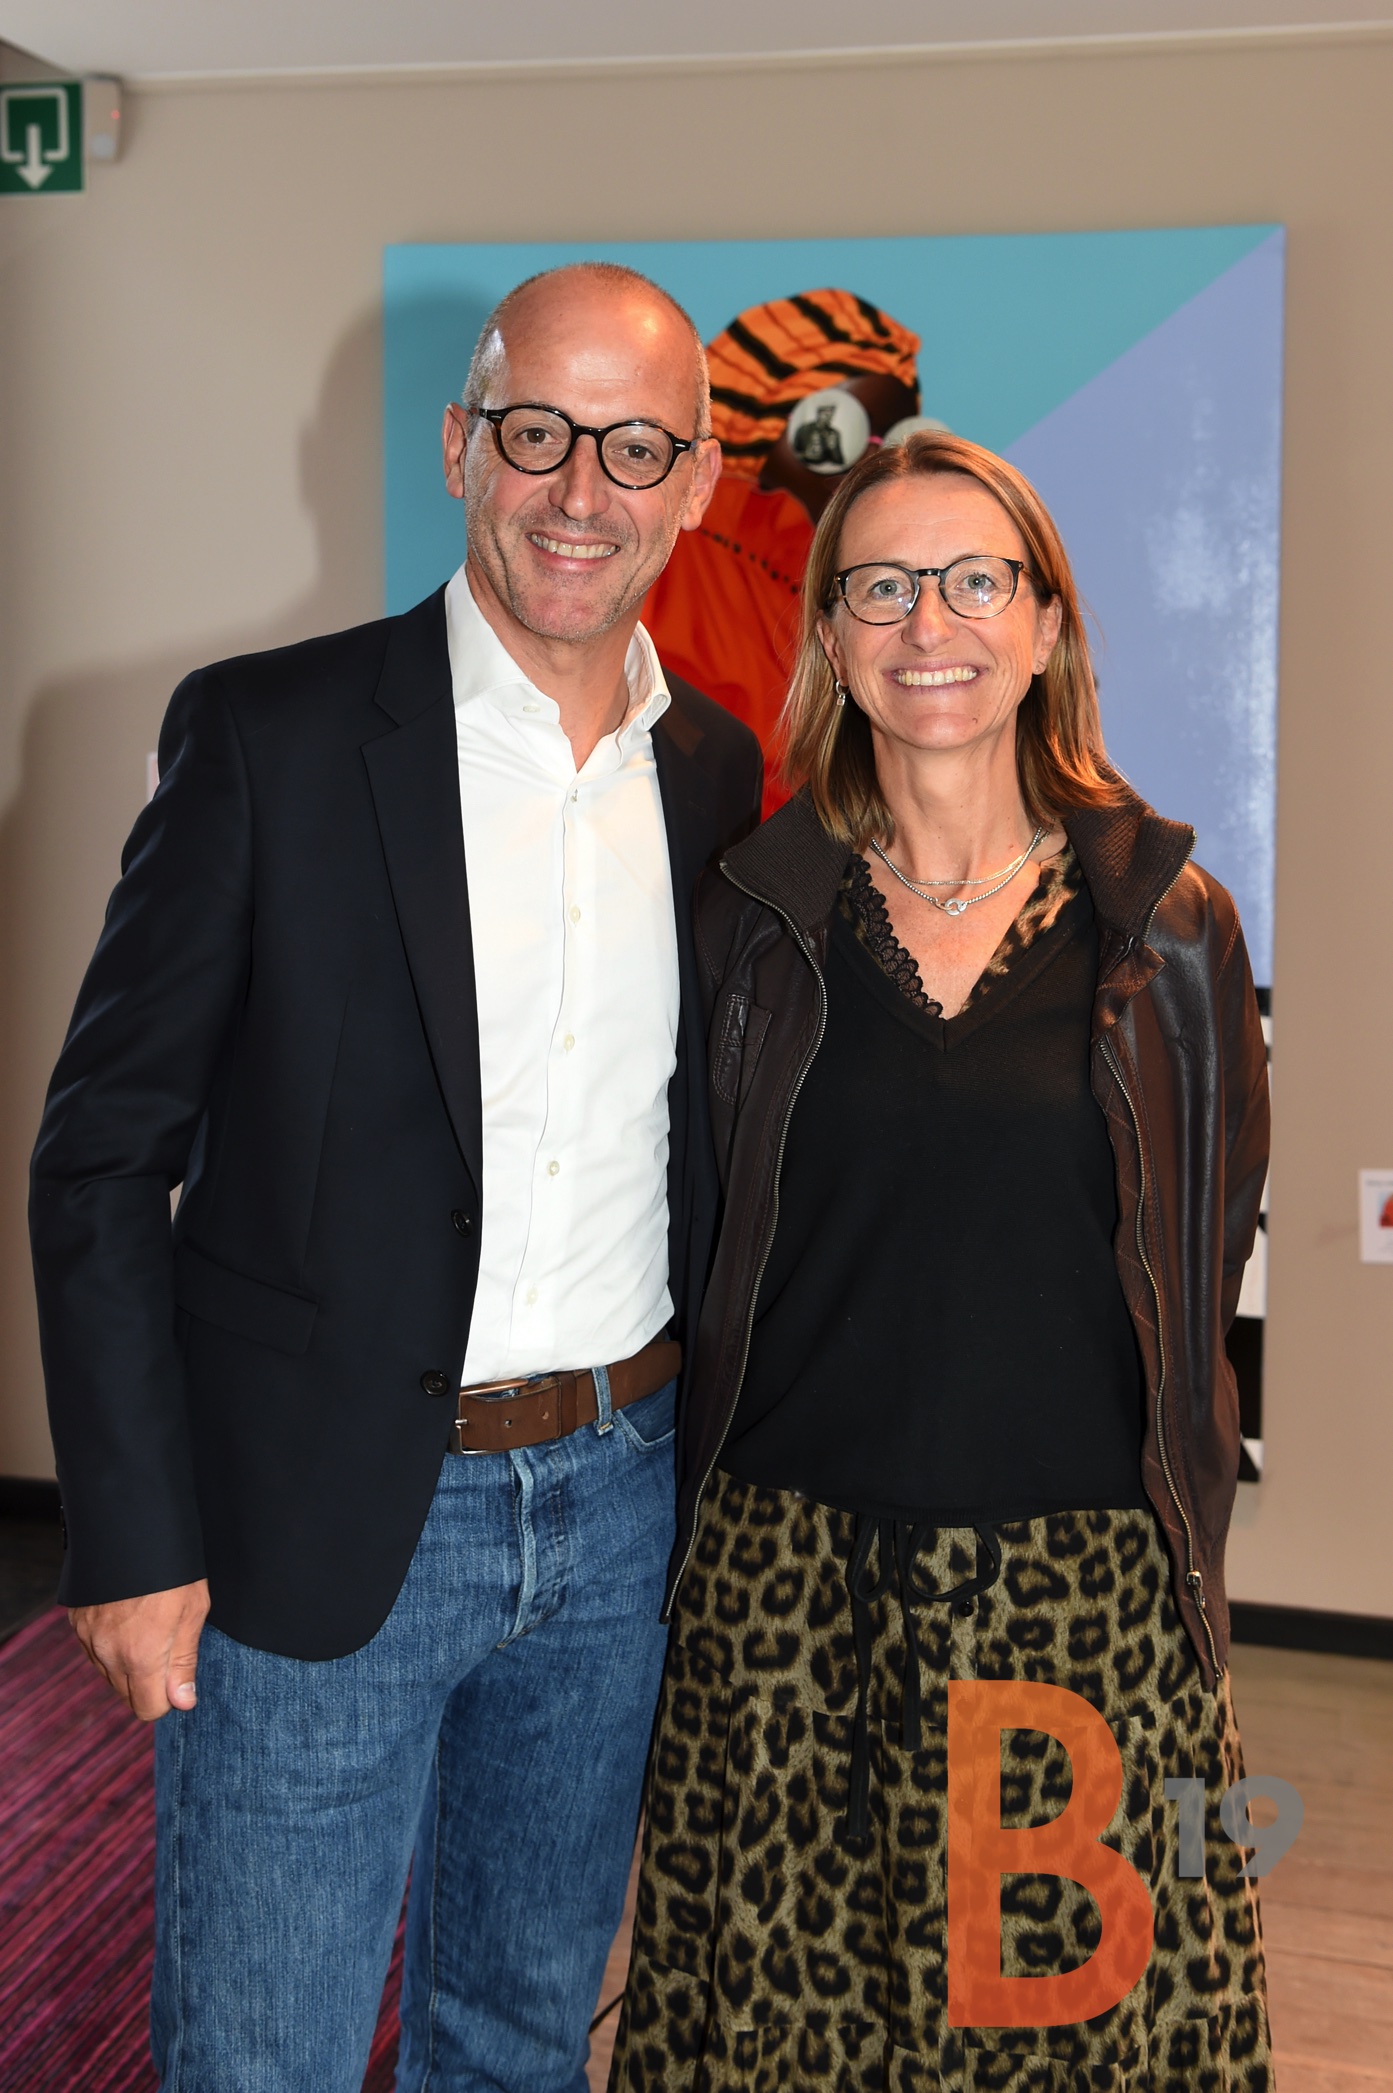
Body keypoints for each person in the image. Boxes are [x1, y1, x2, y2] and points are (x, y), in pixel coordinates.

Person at [29, 261, 762, 2093]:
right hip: (324, 1510)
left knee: (515, 2034)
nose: (579, 491)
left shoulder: (712, 771)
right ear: (459, 445)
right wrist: (135, 1537)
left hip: (617, 1509)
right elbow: (101, 1152)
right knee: (260, 2053)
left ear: (694, 482)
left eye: (633, 448)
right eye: (535, 432)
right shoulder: (268, 737)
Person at [610, 429, 1273, 2090]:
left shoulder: (1168, 924)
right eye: (883, 586)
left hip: (1081, 1608)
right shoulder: (750, 918)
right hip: (786, 1602)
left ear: (1044, 624)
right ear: (830, 638)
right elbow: (696, 1237)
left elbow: (1200, 1255)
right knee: (785, 2050)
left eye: (976, 580)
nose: (931, 623)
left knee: (1075, 2054)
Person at [641, 289, 924, 805]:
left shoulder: (896, 594)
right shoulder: (667, 573)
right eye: (834, 434)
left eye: (894, 440)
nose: (873, 465)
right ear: (758, 426)